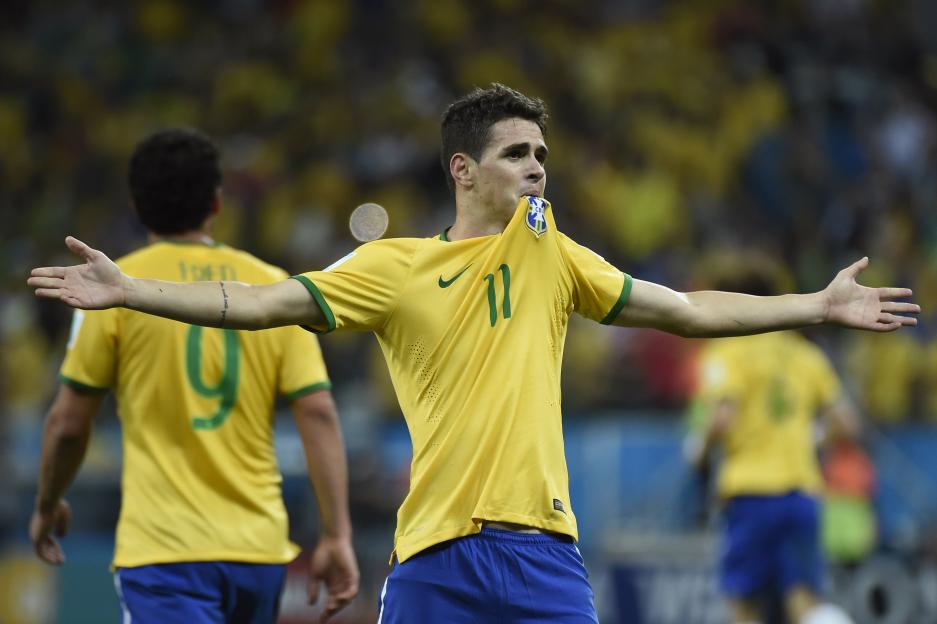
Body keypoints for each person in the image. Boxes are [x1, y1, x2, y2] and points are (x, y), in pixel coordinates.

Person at [28, 85, 919, 623]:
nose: (538, 167)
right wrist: (132, 289)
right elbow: (261, 301)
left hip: (544, 553)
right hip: (435, 557)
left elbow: (684, 309)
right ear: (462, 170)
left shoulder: (553, 255)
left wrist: (816, 304)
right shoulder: (394, 268)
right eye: (517, 153)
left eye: (542, 153)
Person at [28, 128, 359, 624]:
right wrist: (336, 534)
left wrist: (48, 503)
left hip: (165, 549)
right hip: (258, 551)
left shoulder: (113, 287)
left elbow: (69, 423)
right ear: (217, 203)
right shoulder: (273, 285)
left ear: (136, 206)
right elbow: (317, 412)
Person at [685, 253, 861, 624]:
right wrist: (813, 437)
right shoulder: (807, 354)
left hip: (751, 493)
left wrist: (699, 452)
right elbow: (847, 424)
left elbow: (723, 416)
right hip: (802, 492)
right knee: (803, 604)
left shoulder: (727, 350)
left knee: (745, 606)